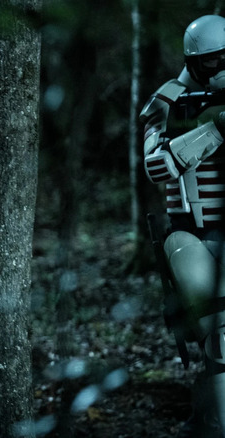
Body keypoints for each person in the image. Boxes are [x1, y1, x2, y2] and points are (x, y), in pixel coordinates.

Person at [141, 14, 225, 438]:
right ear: (195, 61)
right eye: (215, 61)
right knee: (217, 326)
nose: (223, 66)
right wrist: (207, 134)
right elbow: (156, 166)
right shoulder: (168, 99)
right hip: (189, 232)